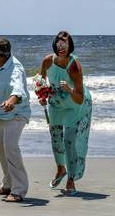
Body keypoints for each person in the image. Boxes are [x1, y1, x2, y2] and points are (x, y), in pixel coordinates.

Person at [39, 31, 92, 196]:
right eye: (59, 44)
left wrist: (69, 89)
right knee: (56, 139)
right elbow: (40, 78)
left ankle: (71, 179)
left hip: (74, 106)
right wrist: (41, 92)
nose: (61, 47)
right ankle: (60, 169)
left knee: (69, 141)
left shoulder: (74, 66)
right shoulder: (48, 61)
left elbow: (79, 97)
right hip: (55, 104)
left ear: (70, 46)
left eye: (65, 44)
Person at [0, 36, 31, 203]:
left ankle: (19, 190)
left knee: (10, 147)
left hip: (16, 114)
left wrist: (12, 100)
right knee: (2, 150)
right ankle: (8, 184)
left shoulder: (15, 68)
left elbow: (18, 87)